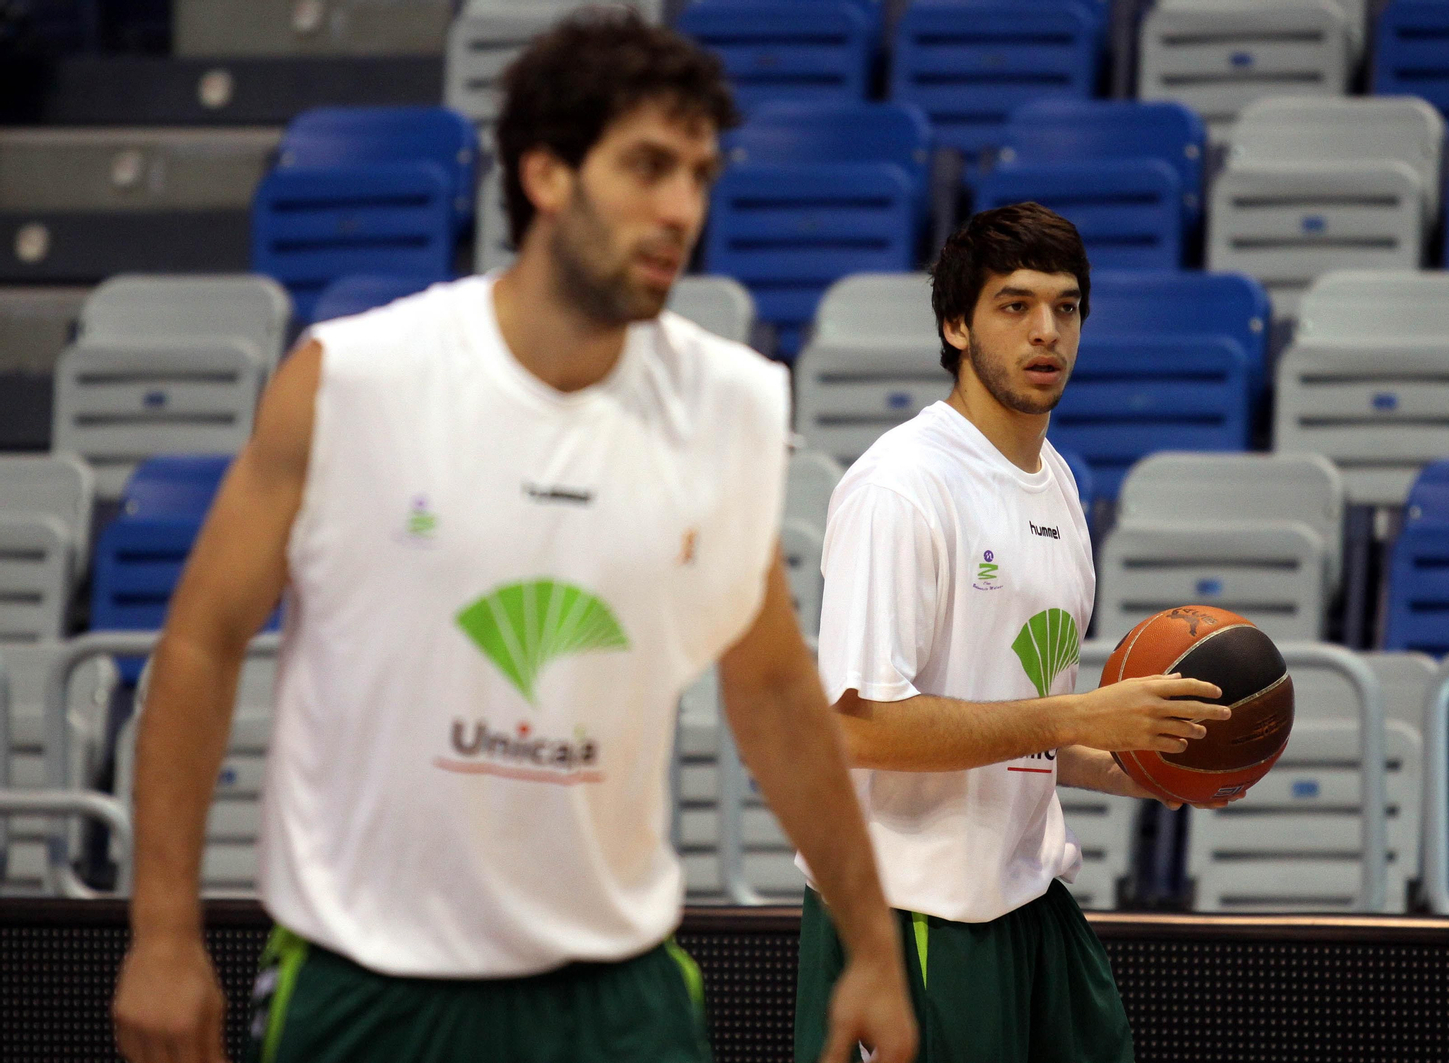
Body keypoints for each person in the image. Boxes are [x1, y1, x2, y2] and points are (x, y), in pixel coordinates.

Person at [112, 11, 917, 1063]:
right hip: (369, 985)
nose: (682, 207)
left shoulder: (728, 405)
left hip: (617, 995)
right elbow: (200, 642)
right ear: (546, 174)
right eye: (647, 167)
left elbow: (768, 689)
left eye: (700, 174)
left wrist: (871, 945)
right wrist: (163, 933)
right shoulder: (353, 380)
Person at [793, 202, 1240, 1063]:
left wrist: (1145, 765)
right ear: (956, 325)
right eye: (1015, 305)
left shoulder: (1058, 482)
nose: (1047, 331)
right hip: (912, 915)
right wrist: (1075, 718)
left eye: (1066, 307)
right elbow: (856, 729)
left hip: (1028, 903)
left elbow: (1021, 731)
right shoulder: (902, 487)